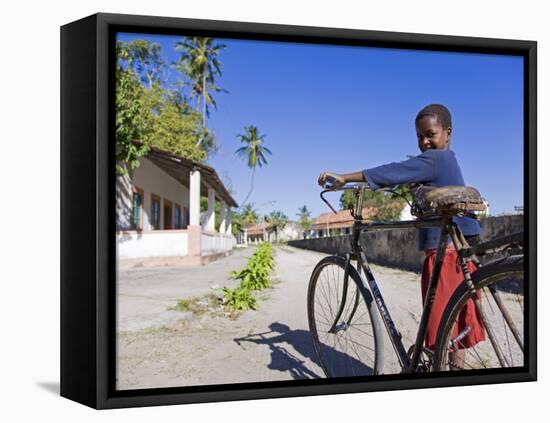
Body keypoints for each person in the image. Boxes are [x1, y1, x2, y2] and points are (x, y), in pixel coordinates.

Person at [317, 104, 485, 369]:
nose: (424, 142)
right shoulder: (447, 161)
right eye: (420, 137)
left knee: (442, 325)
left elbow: (392, 170)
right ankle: (455, 372)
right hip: (462, 246)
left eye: (430, 134)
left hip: (447, 252)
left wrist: (344, 177)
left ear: (448, 133)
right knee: (452, 325)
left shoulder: (438, 159)